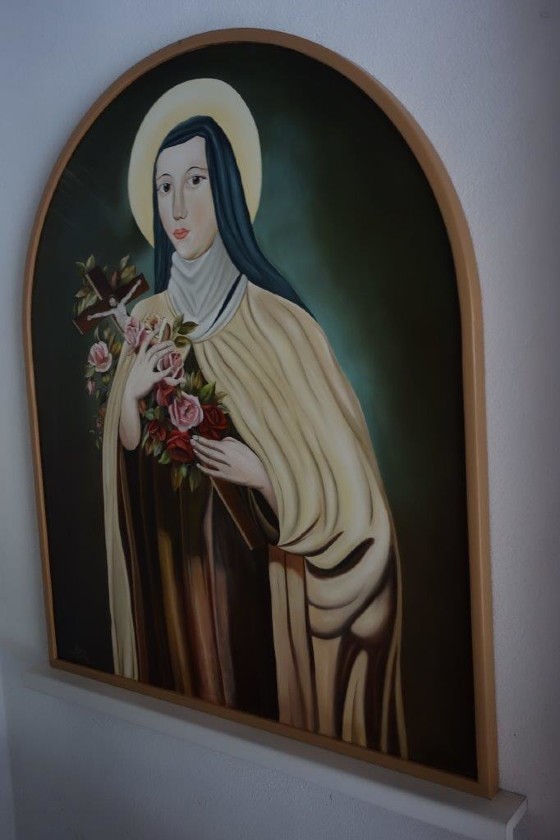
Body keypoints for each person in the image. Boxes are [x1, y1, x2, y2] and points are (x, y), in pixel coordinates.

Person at [102, 80, 407, 756]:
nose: (177, 207)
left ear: (229, 191)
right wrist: (129, 397)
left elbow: (362, 515)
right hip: (174, 590)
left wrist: (268, 475)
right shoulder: (147, 322)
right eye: (163, 187)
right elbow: (122, 465)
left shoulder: (282, 329)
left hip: (261, 606)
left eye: (195, 181)